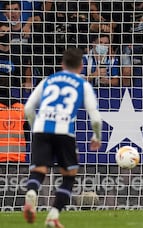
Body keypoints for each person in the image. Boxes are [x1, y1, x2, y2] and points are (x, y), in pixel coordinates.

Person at [23, 48, 102, 228]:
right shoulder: (83, 85)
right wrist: (96, 136)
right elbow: (95, 117)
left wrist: (36, 127)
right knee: (69, 176)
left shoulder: (48, 80)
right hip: (64, 131)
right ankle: (53, 216)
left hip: (41, 129)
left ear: (62, 64)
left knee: (39, 170)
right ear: (82, 67)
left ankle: (32, 192)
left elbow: (28, 108)